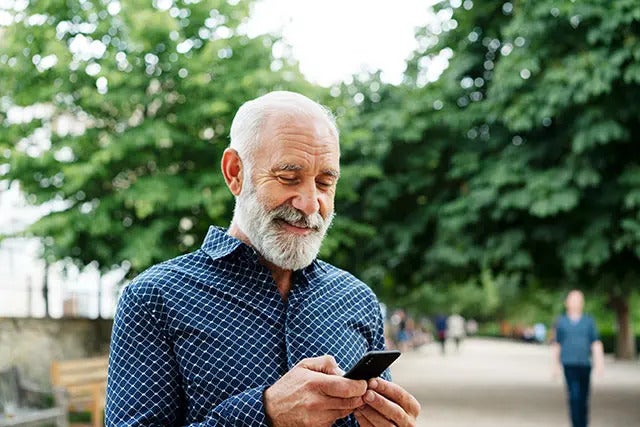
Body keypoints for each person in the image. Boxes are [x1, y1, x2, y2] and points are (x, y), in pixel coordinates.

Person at [105, 91, 420, 426]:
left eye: (326, 183)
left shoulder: (357, 300)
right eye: (288, 177)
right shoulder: (154, 298)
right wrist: (265, 412)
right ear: (234, 172)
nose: (311, 204)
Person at [552, 290, 605, 427]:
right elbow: (557, 344)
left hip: (584, 365)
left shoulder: (588, 321)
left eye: (578, 300)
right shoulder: (561, 322)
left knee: (583, 397)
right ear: (566, 303)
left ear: (582, 303)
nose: (575, 303)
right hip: (569, 364)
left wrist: (600, 363)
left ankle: (583, 423)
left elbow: (596, 343)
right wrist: (555, 366)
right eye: (572, 300)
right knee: (574, 396)